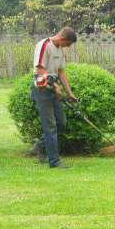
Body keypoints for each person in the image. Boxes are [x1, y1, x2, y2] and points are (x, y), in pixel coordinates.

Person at [29, 27, 78, 168]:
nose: (68, 47)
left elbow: (61, 72)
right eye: (68, 44)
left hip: (53, 87)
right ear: (63, 39)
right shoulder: (44, 45)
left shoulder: (60, 50)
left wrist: (70, 93)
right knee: (50, 126)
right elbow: (39, 69)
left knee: (61, 123)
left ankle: (40, 146)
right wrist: (54, 86)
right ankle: (54, 162)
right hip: (42, 87)